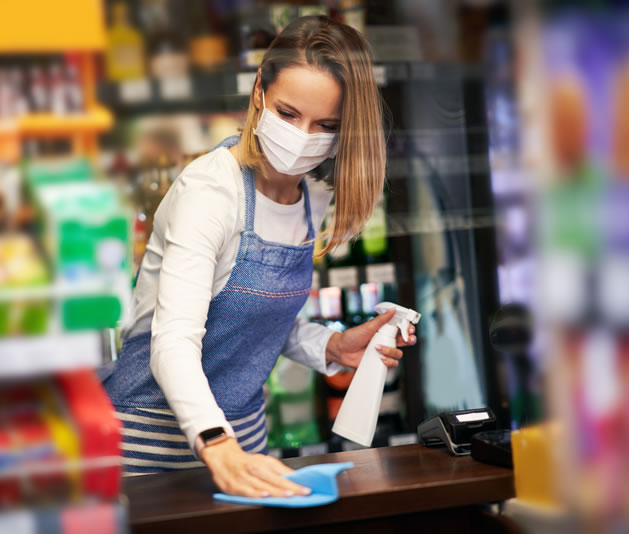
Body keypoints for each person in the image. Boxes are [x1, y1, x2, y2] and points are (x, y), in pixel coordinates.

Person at [103, 15, 416, 498]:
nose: (302, 136)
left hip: (247, 443)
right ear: (259, 94)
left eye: (326, 125)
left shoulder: (312, 195)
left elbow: (252, 319)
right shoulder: (209, 192)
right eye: (288, 114)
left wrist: (334, 347)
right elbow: (175, 343)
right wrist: (215, 443)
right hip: (150, 450)